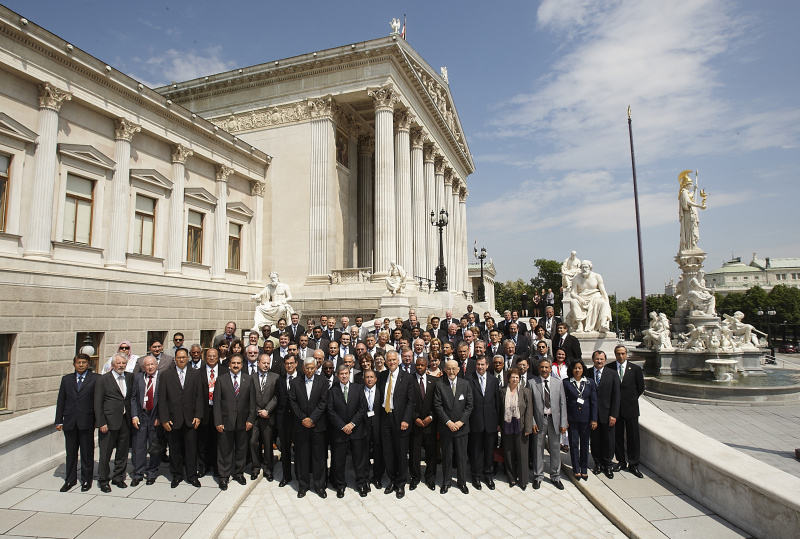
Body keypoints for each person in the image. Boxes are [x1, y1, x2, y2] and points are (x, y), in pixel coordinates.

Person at [158, 348, 204, 488]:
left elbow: (199, 396)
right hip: (173, 419)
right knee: (174, 449)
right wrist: (164, 419)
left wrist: (198, 416)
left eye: (184, 357)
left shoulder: (195, 374)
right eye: (179, 357)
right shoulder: (166, 375)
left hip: (190, 419)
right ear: (175, 359)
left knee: (191, 449)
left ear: (188, 358)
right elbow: (162, 399)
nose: (182, 360)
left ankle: (192, 475)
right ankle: (177, 475)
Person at [55, 353, 98, 492]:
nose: (81, 365)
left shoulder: (96, 379)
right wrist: (58, 420)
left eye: (84, 362)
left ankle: (86, 479)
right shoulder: (66, 379)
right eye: (78, 362)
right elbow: (61, 400)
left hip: (87, 421)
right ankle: (70, 479)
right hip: (70, 421)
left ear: (88, 364)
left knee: (87, 452)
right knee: (71, 453)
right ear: (74, 364)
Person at [214, 354, 255, 490]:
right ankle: (223, 477)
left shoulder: (249, 379)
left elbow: (252, 402)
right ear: (229, 364)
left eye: (238, 363)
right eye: (233, 363)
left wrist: (250, 419)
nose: (236, 365)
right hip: (225, 422)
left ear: (242, 365)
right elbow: (217, 403)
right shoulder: (221, 380)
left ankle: (238, 473)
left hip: (243, 422)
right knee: (224, 450)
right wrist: (218, 421)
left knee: (241, 449)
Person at [378, 350, 415, 499]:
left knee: (400, 452)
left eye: (394, 360)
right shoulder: (382, 376)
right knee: (388, 451)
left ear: (398, 360)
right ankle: (392, 479)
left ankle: (401, 483)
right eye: (389, 360)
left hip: (400, 420)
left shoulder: (407, 378)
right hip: (385, 417)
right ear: (386, 362)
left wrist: (406, 419)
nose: (391, 362)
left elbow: (411, 402)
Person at [289, 356, 328, 498]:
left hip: (317, 425)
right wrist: (303, 419)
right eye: (307, 368)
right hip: (301, 426)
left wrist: (312, 419)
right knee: (302, 457)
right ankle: (303, 486)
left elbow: (323, 402)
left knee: (318, 457)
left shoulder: (323, 381)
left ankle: (319, 486)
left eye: (312, 368)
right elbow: (293, 403)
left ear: (316, 368)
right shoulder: (295, 382)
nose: (310, 370)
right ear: (303, 368)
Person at [327, 364, 368, 498]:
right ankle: (340, 485)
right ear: (337, 375)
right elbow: (330, 411)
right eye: (341, 374)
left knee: (359, 459)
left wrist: (352, 424)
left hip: (356, 431)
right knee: (339, 460)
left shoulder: (358, 388)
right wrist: (342, 426)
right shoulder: (333, 390)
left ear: (349, 374)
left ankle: (361, 483)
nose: (344, 376)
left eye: (346, 373)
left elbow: (362, 408)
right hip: (339, 432)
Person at [94, 353, 133, 492]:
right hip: (109, 422)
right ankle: (104, 479)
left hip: (125, 420)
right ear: (113, 364)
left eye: (123, 363)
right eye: (118, 363)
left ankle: (118, 477)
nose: (121, 365)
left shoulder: (130, 377)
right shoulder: (103, 379)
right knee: (105, 453)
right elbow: (98, 403)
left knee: (122, 452)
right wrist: (101, 422)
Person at [434, 359, 473, 494]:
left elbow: (469, 406)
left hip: (461, 428)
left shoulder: (465, 384)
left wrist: (460, 422)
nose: (451, 371)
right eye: (449, 369)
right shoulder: (440, 385)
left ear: (458, 370)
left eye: (454, 369)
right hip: (446, 427)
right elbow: (438, 406)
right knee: (447, 456)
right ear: (445, 370)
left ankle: (462, 482)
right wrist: (448, 422)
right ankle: (446, 482)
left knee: (462, 456)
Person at [530, 359, 567, 490]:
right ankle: (538, 476)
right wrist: (532, 422)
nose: (544, 370)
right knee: (538, 448)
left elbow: (563, 403)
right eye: (542, 367)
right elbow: (530, 406)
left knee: (555, 448)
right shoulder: (532, 383)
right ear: (538, 368)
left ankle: (555, 476)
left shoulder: (558, 383)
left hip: (554, 420)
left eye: (547, 367)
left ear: (550, 369)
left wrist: (563, 422)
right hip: (539, 420)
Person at [468, 356, 501, 491]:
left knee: (488, 450)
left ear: (487, 365)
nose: (480, 367)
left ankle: (488, 475)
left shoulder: (494, 380)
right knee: (476, 450)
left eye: (482, 365)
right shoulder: (469, 379)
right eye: (478, 365)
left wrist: (498, 421)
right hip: (475, 421)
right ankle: (476, 475)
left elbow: (497, 401)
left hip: (490, 421)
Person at [613, 345, 645, 478]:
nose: (620, 356)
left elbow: (640, 387)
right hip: (616, 409)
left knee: (633, 437)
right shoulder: (610, 368)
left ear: (626, 354)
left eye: (623, 353)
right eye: (618, 354)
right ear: (615, 355)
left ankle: (634, 464)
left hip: (631, 408)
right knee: (617, 436)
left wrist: (630, 399)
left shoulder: (635, 369)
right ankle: (621, 461)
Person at [587, 350, 620, 479]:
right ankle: (598, 463)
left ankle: (607, 464)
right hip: (593, 414)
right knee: (595, 440)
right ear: (593, 359)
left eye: (601, 359)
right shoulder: (588, 373)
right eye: (597, 359)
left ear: (605, 360)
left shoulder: (612, 374)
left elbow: (616, 396)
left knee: (609, 440)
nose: (599, 361)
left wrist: (614, 414)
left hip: (608, 414)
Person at [130, 356, 162, 486]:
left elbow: (165, 399)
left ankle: (152, 472)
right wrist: (134, 415)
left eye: (152, 365)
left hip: (155, 417)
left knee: (154, 446)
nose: (150, 367)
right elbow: (132, 398)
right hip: (141, 416)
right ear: (143, 367)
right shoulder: (138, 377)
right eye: (147, 365)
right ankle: (138, 473)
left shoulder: (162, 378)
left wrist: (160, 417)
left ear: (156, 365)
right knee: (139, 446)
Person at [564, 360, 597, 481]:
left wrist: (594, 419)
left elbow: (594, 401)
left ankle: (584, 468)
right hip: (572, 418)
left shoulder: (589, 382)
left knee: (584, 443)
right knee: (573, 444)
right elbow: (564, 402)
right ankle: (576, 468)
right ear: (571, 370)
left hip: (586, 418)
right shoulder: (566, 383)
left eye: (580, 368)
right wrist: (565, 419)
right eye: (575, 368)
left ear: (583, 369)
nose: (577, 370)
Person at [501, 367, 533, 489]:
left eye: (517, 377)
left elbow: (529, 411)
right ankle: (511, 478)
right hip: (507, 425)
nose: (514, 379)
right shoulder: (503, 391)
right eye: (512, 377)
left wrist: (528, 428)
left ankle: (523, 480)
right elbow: (500, 410)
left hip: (521, 426)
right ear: (508, 379)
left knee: (522, 454)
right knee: (509, 453)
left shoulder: (526, 392)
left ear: (520, 379)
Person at [197, 347, 227, 479]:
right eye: (209, 356)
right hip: (204, 410)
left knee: (218, 440)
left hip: (219, 410)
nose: (212, 358)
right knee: (203, 439)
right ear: (205, 356)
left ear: (218, 357)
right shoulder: (198, 372)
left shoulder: (225, 371)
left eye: (214, 356)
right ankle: (203, 466)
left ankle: (217, 467)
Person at [409, 357, 437, 491]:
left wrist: (431, 417)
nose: (420, 367)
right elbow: (406, 401)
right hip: (415, 424)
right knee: (414, 453)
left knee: (431, 452)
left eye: (423, 365)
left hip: (430, 424)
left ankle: (430, 478)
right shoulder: (409, 380)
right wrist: (415, 418)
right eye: (418, 365)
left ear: (427, 366)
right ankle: (415, 477)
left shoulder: (434, 381)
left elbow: (437, 402)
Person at [251, 352, 279, 482]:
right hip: (255, 417)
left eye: (268, 363)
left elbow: (276, 396)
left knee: (268, 444)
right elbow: (249, 397)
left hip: (268, 416)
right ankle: (255, 467)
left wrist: (267, 410)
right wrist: (258, 411)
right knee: (253, 442)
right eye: (264, 363)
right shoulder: (251, 378)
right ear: (258, 363)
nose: (266, 365)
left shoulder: (275, 377)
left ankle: (268, 469)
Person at [276, 353, 299, 487]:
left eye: (291, 363)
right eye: (287, 364)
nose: (289, 366)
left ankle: (299, 474)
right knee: (284, 450)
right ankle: (286, 476)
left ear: (296, 364)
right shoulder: (280, 380)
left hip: (297, 421)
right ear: (284, 365)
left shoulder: (301, 379)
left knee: (299, 450)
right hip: (283, 420)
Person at [361, 369, 384, 491]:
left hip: (378, 427)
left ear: (375, 379)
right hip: (364, 427)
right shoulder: (359, 391)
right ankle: (365, 478)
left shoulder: (381, 392)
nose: (369, 379)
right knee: (364, 454)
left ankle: (377, 477)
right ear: (363, 379)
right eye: (367, 377)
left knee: (378, 454)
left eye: (371, 377)